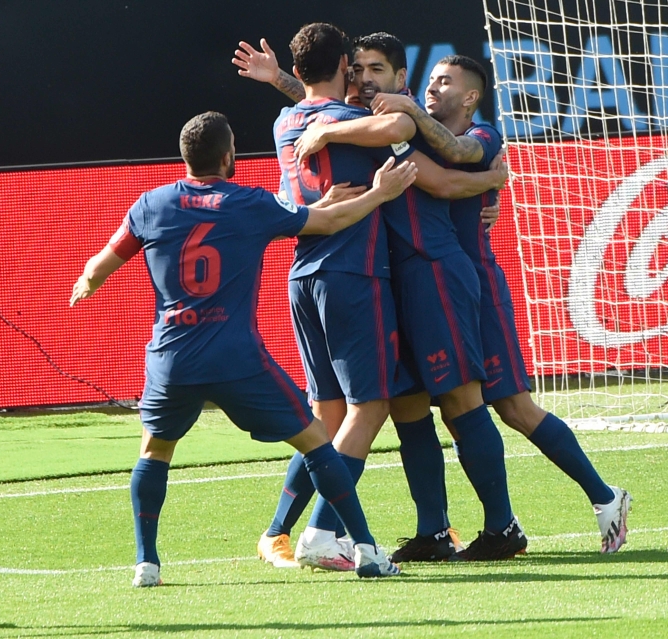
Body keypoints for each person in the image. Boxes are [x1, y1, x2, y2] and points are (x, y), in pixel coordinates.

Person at [70, 110, 418, 585]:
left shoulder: (151, 205)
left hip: (172, 358)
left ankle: (146, 564)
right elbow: (330, 220)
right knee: (317, 442)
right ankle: (365, 551)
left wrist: (85, 285)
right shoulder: (250, 203)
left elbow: (98, 267)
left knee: (154, 453)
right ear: (228, 155)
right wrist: (380, 192)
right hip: (235, 358)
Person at [238, 31, 521, 564]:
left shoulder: (384, 123)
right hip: (371, 277)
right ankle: (413, 531)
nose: (365, 78)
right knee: (388, 406)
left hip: (423, 273)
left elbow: (438, 174)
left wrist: (492, 179)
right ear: (345, 71)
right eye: (358, 68)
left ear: (400, 80)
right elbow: (334, 111)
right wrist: (294, 93)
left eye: (376, 70)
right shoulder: (350, 121)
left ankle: (497, 525)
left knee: (459, 402)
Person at [367, 54, 632, 556]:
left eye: (445, 82)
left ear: (471, 97)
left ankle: (601, 498)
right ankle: (440, 531)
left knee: (511, 406)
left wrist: (490, 179)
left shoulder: (484, 136)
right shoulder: (414, 132)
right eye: (431, 80)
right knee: (434, 404)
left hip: (475, 286)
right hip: (430, 286)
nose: (432, 88)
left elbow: (456, 160)